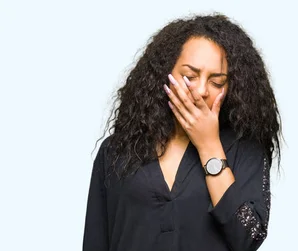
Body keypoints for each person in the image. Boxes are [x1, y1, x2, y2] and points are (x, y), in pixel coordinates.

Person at [83, 13, 282, 251]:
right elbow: (96, 240)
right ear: (164, 75)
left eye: (216, 82)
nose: (201, 90)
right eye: (189, 76)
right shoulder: (117, 150)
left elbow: (248, 237)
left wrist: (209, 146)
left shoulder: (246, 149)